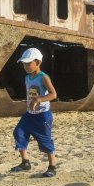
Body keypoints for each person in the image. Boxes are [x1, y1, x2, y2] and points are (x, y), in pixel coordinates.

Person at [12, 48, 58, 177]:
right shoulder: (27, 78)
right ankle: (25, 162)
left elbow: (53, 94)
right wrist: (30, 103)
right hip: (29, 115)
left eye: (28, 63)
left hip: (42, 115)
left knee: (45, 140)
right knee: (18, 133)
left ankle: (52, 166)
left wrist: (38, 100)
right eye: (24, 63)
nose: (25, 66)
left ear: (37, 62)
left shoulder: (44, 77)